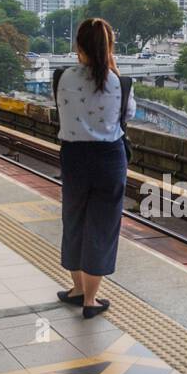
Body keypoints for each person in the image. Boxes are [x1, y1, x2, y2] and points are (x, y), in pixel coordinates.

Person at [52, 18, 134, 319]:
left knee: (73, 219)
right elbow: (127, 116)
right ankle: (90, 300)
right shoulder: (119, 82)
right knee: (101, 226)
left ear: (78, 46)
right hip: (109, 159)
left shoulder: (62, 77)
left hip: (74, 158)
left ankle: (76, 289)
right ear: (109, 46)